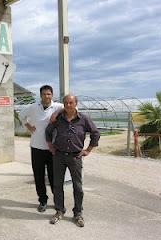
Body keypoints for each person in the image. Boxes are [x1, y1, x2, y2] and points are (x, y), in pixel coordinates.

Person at [45, 94, 100, 227]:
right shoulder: (58, 118)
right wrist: (51, 147)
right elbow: (48, 132)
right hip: (58, 156)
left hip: (75, 157)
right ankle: (59, 211)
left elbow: (95, 133)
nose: (68, 105)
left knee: (78, 187)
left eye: (71, 102)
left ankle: (78, 214)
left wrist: (88, 150)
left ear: (76, 104)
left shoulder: (84, 119)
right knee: (57, 185)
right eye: (66, 103)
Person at [19, 85, 63, 212]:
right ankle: (43, 201)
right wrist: (27, 125)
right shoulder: (33, 107)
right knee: (38, 177)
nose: (46, 96)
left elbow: (73, 108)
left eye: (49, 94)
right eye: (44, 94)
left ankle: (57, 202)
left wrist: (56, 113)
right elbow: (21, 115)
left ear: (52, 95)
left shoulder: (58, 107)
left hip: (52, 149)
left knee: (54, 177)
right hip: (36, 148)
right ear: (40, 95)